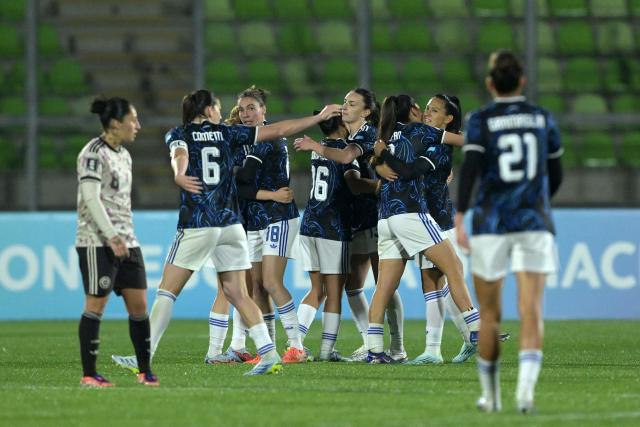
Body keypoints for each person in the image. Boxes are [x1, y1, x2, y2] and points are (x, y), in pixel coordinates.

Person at [112, 89, 341, 376]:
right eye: (219, 107)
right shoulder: (227, 133)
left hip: (199, 221)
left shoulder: (178, 132)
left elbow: (179, 154)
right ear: (208, 110)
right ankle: (269, 353)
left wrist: (179, 172)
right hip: (232, 225)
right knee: (238, 292)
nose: (222, 112)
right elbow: (280, 129)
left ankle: (142, 357)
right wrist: (318, 117)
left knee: (166, 292)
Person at [455, 50, 563, 413]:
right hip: (533, 222)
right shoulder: (542, 118)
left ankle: (490, 396)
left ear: (489, 84)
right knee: (531, 310)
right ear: (522, 81)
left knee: (489, 315)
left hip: (491, 222)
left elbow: (470, 170)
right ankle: (526, 395)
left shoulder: (480, 119)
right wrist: (536, 201)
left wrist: (460, 217)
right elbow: (556, 173)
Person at [366, 94, 479, 364]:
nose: (426, 111)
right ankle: (476, 330)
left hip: (385, 217)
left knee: (383, 287)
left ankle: (374, 350)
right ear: (414, 110)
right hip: (411, 212)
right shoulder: (421, 131)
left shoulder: (387, 134)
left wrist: (378, 160)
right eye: (423, 107)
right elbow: (460, 141)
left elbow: (372, 155)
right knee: (453, 267)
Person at [294, 88, 406, 362]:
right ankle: (370, 341)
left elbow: (349, 167)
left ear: (366, 112)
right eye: (344, 102)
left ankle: (396, 347)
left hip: (375, 219)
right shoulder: (351, 138)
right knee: (352, 285)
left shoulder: (366, 135)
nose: (344, 106)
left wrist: (316, 147)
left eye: (351, 103)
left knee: (384, 284)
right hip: (350, 222)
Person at [76, 96, 159, 387]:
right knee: (96, 304)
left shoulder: (124, 154)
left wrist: (123, 237)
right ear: (115, 123)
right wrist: (111, 236)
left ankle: (145, 371)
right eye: (132, 120)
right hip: (96, 240)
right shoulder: (92, 153)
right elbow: (91, 198)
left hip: (128, 240)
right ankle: (90, 374)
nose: (137, 125)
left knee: (139, 306)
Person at [234, 86, 308, 364]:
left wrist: (233, 175)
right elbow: (242, 186)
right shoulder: (247, 141)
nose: (246, 114)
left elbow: (242, 181)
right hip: (254, 219)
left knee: (271, 281)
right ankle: (270, 350)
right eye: (242, 109)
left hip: (278, 216)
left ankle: (297, 346)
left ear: (264, 111)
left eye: (252, 107)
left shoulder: (266, 140)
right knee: (256, 288)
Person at [295, 112, 355, 361]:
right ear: (342, 125)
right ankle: (326, 351)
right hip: (333, 225)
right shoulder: (345, 151)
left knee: (316, 289)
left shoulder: (317, 149)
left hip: (310, 222)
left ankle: (295, 344)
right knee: (334, 292)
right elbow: (352, 182)